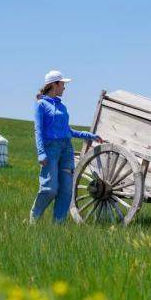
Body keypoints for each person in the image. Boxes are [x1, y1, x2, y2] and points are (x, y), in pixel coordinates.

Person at [29, 70, 103, 224]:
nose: (64, 88)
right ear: (54, 85)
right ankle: (33, 219)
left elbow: (67, 131)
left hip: (66, 150)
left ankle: (58, 225)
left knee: (66, 191)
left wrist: (89, 135)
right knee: (50, 189)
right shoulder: (41, 105)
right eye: (62, 84)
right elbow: (38, 130)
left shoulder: (62, 107)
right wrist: (41, 152)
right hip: (51, 150)